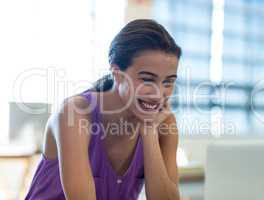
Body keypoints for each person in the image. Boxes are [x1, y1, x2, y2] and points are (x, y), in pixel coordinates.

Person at [25, 19, 182, 200]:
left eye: (168, 81)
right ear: (117, 73)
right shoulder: (74, 113)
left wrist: (148, 132)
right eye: (147, 79)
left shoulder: (163, 122)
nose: (158, 94)